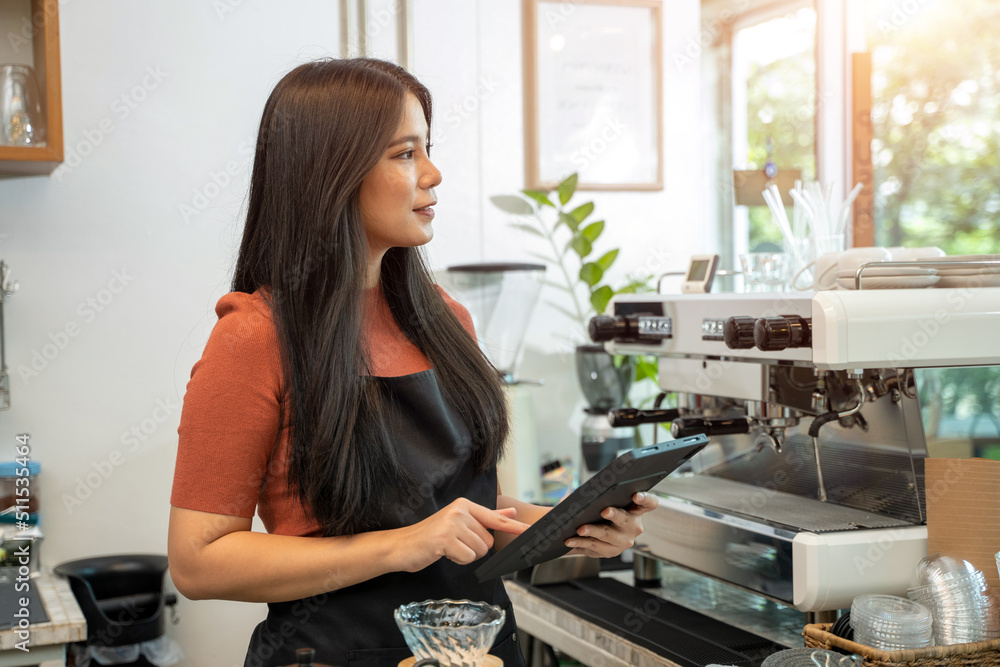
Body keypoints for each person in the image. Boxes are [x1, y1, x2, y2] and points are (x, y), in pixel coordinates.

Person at [167, 57, 657, 667]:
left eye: (428, 148)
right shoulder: (255, 337)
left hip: (480, 653)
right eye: (405, 154)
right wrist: (402, 545)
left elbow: (482, 512)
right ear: (331, 173)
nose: (434, 173)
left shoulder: (447, 321)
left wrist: (572, 527)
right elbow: (198, 560)